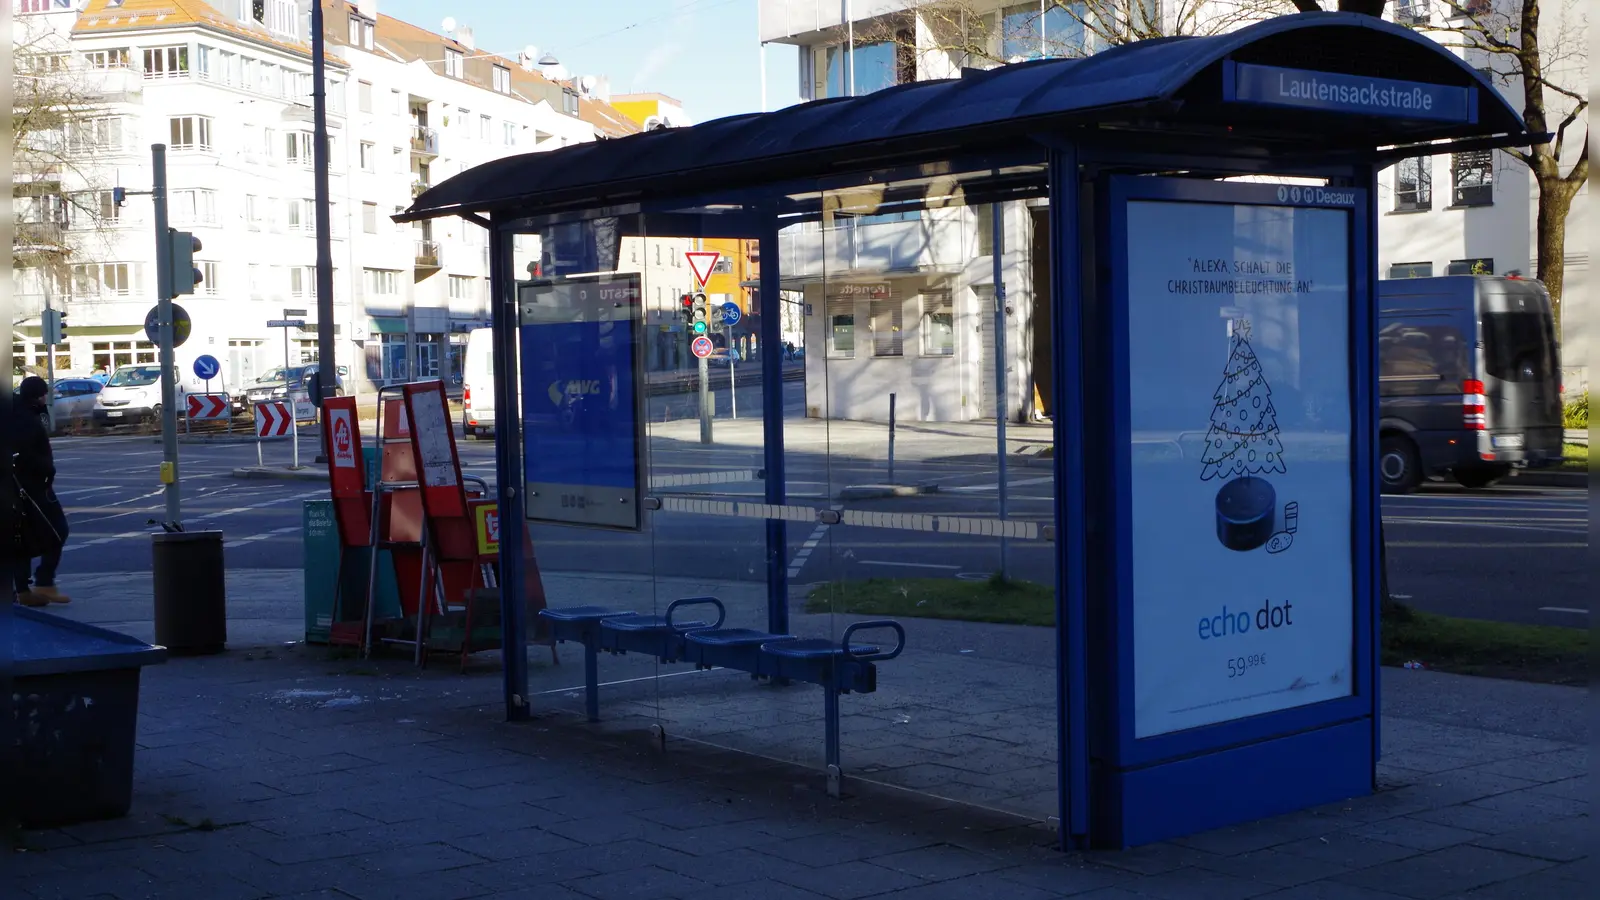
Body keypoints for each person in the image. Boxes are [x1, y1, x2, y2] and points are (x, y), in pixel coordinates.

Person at [12, 376, 70, 606]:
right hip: (31, 486)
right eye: (44, 393)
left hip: (23, 486)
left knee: (20, 536)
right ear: (38, 395)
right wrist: (48, 469)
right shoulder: (24, 418)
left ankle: (26, 588)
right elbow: (26, 452)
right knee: (57, 530)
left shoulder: (20, 412)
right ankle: (43, 581)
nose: (47, 397)